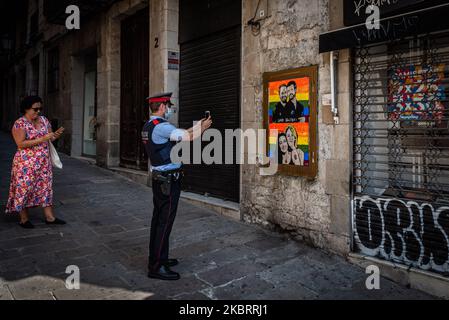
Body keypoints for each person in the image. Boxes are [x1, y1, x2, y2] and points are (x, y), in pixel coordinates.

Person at [142, 92, 212, 281]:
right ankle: (157, 266)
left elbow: (183, 133)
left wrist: (198, 126)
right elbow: (187, 138)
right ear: (163, 107)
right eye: (169, 105)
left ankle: (158, 258)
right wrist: (203, 128)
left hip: (160, 180)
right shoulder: (162, 126)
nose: (171, 108)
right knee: (164, 223)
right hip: (168, 181)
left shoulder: (149, 126)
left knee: (158, 221)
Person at [6, 96, 66, 229]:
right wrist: (43, 138)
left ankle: (50, 217)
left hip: (44, 163)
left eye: (40, 108)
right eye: (35, 109)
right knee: (24, 189)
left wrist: (55, 135)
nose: (38, 111)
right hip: (25, 164)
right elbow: (20, 143)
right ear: (26, 109)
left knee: (46, 188)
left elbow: (50, 138)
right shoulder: (20, 123)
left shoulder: (44, 120)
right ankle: (24, 219)